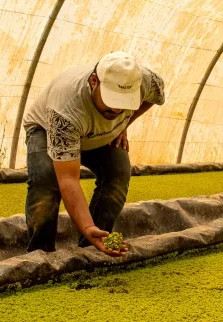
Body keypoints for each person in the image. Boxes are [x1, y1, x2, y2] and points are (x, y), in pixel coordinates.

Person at [22, 51, 165, 257]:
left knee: (117, 173)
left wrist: (125, 124)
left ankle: (94, 247)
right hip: (46, 129)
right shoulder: (66, 109)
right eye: (111, 99)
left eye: (124, 102)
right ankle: (41, 256)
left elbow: (155, 97)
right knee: (46, 181)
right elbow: (69, 179)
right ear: (94, 81)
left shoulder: (147, 81)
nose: (116, 109)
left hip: (99, 133)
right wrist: (86, 226)